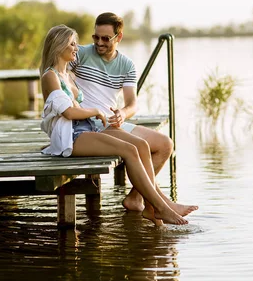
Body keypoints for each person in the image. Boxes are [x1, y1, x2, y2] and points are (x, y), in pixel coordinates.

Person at [40, 24, 188, 226]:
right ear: (59, 47)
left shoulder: (69, 75)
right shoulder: (50, 76)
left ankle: (152, 208)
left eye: (75, 44)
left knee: (141, 146)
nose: (77, 48)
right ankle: (160, 207)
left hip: (88, 129)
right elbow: (68, 112)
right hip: (71, 137)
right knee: (128, 150)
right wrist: (96, 111)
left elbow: (76, 105)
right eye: (72, 44)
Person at [69, 12, 198, 220]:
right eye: (96, 37)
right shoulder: (80, 54)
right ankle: (162, 204)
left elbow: (132, 104)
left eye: (105, 38)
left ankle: (136, 198)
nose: (99, 43)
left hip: (112, 122)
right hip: (89, 125)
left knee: (165, 144)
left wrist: (122, 113)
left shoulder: (127, 65)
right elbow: (56, 72)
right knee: (139, 146)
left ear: (118, 37)